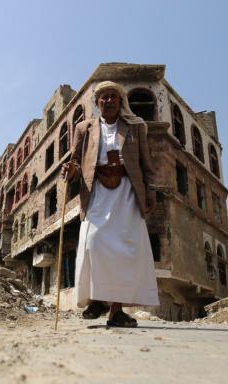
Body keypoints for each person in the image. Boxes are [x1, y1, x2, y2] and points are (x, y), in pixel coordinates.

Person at [62, 81, 159, 327]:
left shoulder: (136, 128)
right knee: (94, 244)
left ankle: (116, 310)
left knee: (125, 251)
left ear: (121, 102)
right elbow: (75, 161)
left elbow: (147, 165)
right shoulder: (84, 128)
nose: (108, 101)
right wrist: (70, 171)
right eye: (103, 97)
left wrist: (151, 193)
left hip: (127, 193)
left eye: (113, 97)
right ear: (97, 103)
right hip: (97, 193)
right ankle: (97, 299)